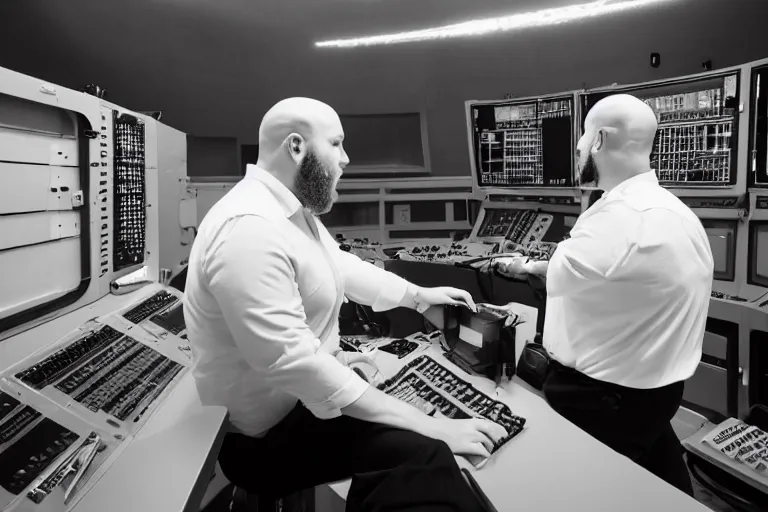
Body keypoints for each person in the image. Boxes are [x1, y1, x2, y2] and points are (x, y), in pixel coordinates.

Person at [183, 97, 507, 511]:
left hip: (295, 407)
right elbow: (293, 361)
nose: (346, 158)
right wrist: (432, 426)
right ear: (297, 147)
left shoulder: (286, 211)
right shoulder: (248, 230)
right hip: (264, 444)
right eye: (336, 144)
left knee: (399, 429)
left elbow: (339, 266)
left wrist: (418, 298)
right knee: (424, 453)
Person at [532, 94, 713, 495]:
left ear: (599, 140)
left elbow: (555, 278)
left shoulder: (619, 219)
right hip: (652, 394)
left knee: (578, 494)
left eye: (582, 136)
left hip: (601, 401)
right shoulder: (676, 211)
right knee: (667, 486)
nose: (578, 147)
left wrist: (519, 265)